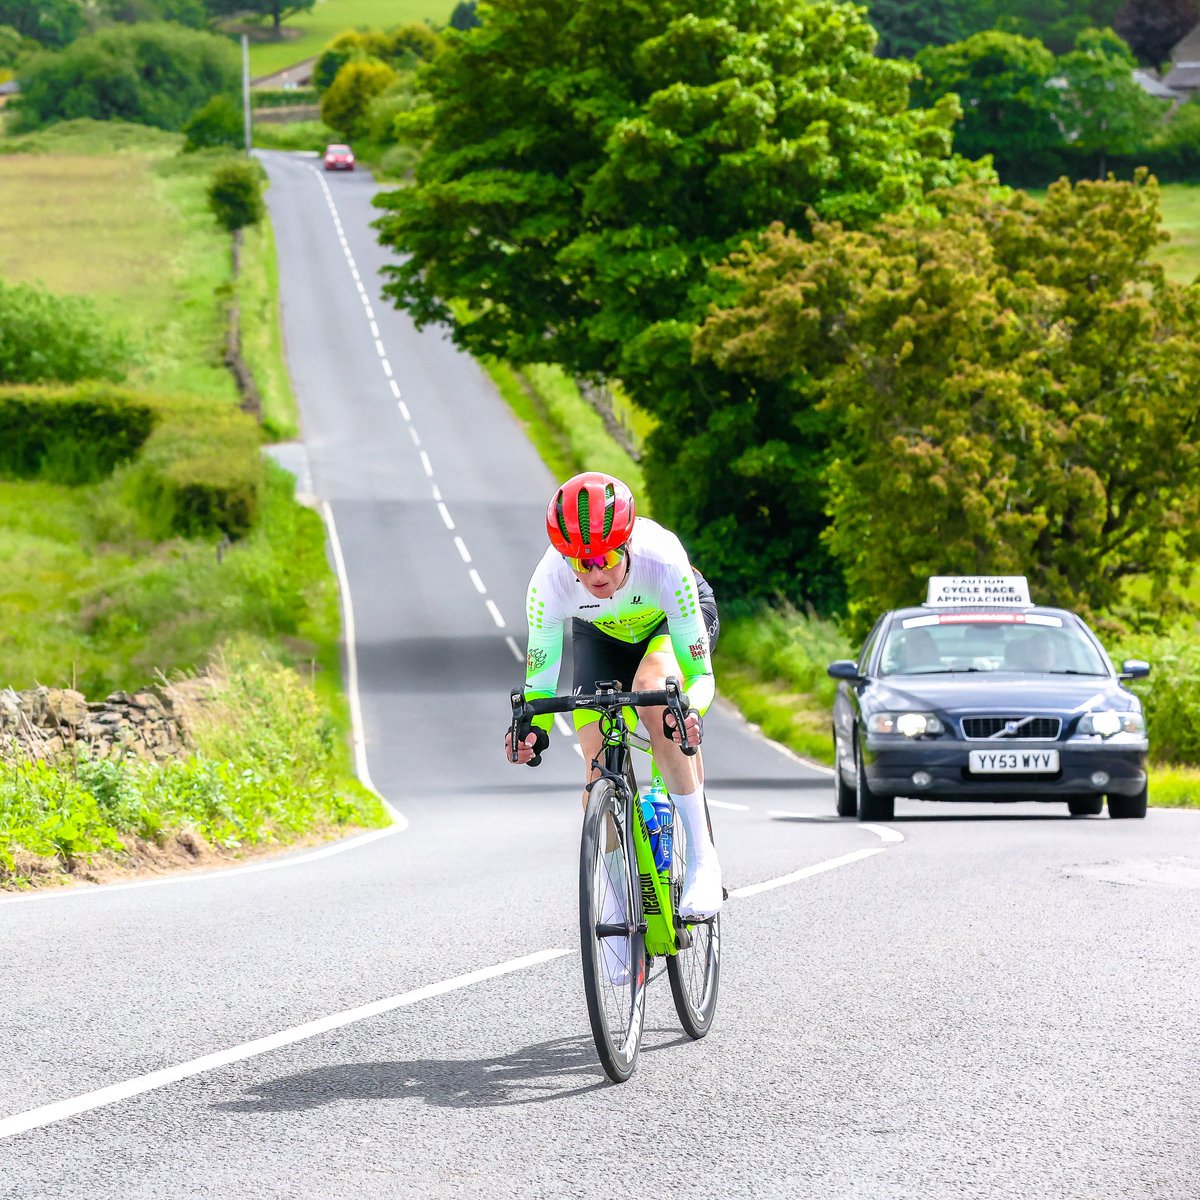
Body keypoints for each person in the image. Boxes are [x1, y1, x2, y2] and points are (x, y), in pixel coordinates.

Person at [505, 471, 723, 919]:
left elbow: (700, 675)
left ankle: (703, 860)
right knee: (595, 759)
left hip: (668, 623)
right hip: (601, 634)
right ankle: (615, 905)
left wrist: (691, 711)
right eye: (581, 563)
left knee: (654, 694)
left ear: (626, 545)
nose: (596, 573)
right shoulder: (548, 583)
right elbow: (540, 685)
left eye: (606, 558)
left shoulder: (663, 561)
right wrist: (532, 730)